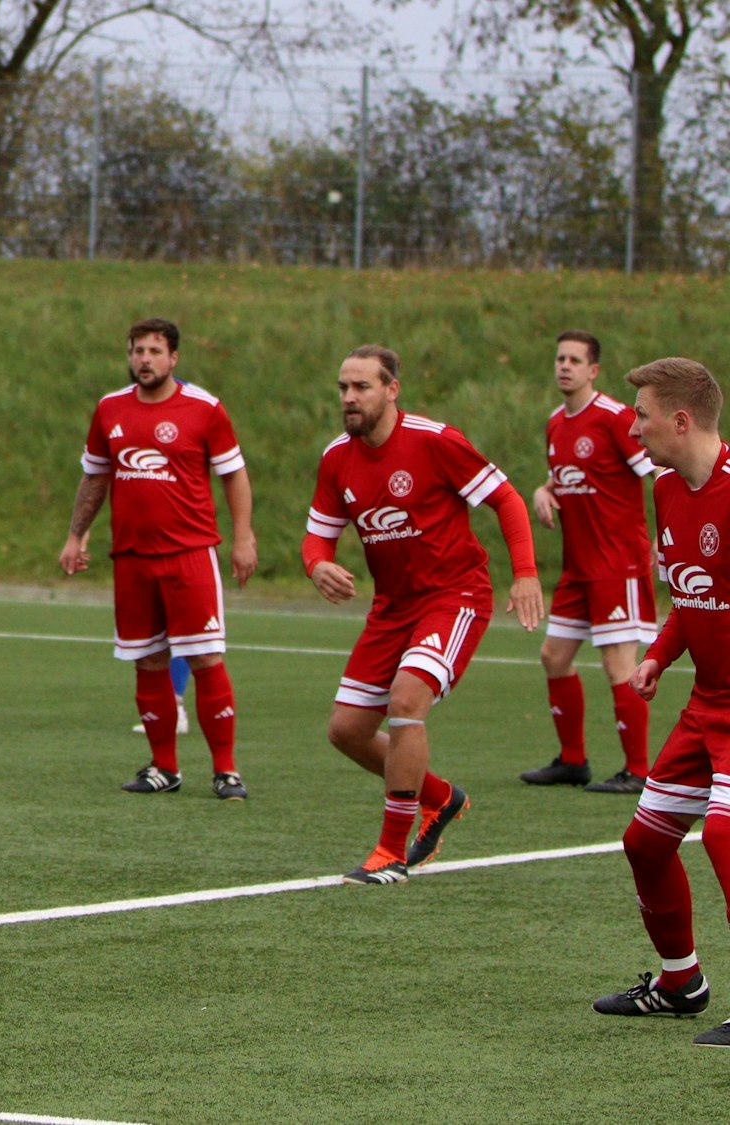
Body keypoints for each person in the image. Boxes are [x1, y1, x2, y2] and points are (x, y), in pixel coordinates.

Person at [302, 345, 542, 885]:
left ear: (391, 390)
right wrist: (317, 565)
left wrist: (524, 572)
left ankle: (390, 851)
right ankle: (439, 797)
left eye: (361, 387)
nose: (348, 397)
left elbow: (506, 499)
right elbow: (318, 535)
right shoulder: (337, 457)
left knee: (406, 700)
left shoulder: (435, 441)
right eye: (343, 387)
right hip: (392, 608)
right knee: (346, 730)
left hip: (453, 596)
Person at [59, 318, 256, 799]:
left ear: (174, 358)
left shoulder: (204, 408)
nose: (144, 359)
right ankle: (163, 768)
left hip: (189, 553)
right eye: (137, 350)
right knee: (147, 661)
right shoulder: (109, 409)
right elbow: (95, 478)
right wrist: (75, 535)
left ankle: (226, 771)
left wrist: (243, 537)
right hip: (131, 558)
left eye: (154, 350)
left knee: (207, 658)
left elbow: (234, 474)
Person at [593, 357, 729, 1043]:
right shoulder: (670, 489)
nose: (632, 425)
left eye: (641, 413)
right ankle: (681, 983)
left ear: (680, 420)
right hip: (707, 704)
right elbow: (690, 594)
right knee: (645, 841)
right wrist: (657, 654)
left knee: (727, 837)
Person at [522, 331, 657, 793]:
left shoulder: (616, 418)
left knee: (620, 665)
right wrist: (543, 491)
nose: (564, 366)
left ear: (592, 370)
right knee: (553, 656)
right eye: (560, 358)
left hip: (618, 564)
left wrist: (665, 536)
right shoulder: (557, 423)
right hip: (577, 569)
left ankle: (639, 771)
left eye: (575, 360)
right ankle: (573, 761)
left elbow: (658, 471)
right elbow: (559, 478)